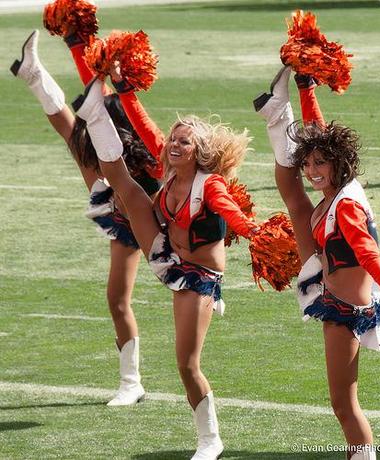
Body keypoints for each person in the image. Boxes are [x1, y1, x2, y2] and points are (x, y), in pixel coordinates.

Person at [72, 74, 258, 459]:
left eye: (184, 141)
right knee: (123, 183)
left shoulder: (210, 186)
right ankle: (95, 115)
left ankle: (210, 440)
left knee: (187, 365)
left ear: (199, 150)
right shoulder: (171, 170)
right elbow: (142, 124)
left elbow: (235, 218)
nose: (174, 144)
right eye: (172, 138)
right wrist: (123, 90)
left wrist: (258, 233)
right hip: (165, 255)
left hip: (200, 279)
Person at [254, 66, 380, 460]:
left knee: (344, 405)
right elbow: (321, 134)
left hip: (346, 309)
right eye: (308, 163)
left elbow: (367, 254)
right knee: (292, 193)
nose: (311, 171)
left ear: (338, 162)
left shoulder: (344, 205)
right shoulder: (342, 188)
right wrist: (307, 84)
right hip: (327, 283)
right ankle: (280, 112)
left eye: (319, 164)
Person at [10, 29, 165, 406]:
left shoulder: (146, 160)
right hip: (121, 212)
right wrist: (89, 53)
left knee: (153, 289)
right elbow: (77, 115)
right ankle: (132, 382)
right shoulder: (97, 155)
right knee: (116, 300)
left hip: (154, 226)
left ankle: (34, 75)